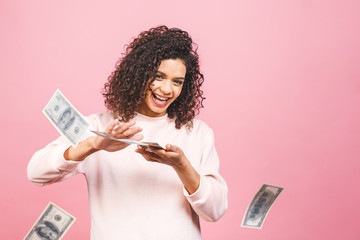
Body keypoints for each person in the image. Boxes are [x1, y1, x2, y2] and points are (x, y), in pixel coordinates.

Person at [28, 25, 228, 240]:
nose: (167, 89)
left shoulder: (197, 133)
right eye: (158, 76)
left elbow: (214, 211)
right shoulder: (100, 126)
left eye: (177, 81)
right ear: (139, 75)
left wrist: (182, 166)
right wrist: (92, 145)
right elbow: (36, 173)